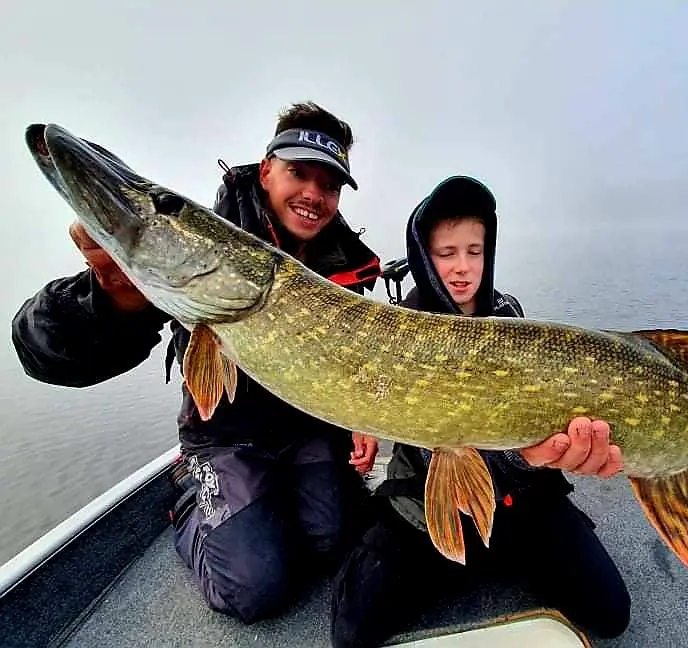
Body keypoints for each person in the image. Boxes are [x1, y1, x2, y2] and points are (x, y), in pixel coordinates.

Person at [10, 102, 384, 624]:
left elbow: (360, 368)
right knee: (254, 588)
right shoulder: (209, 248)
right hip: (225, 439)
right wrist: (113, 294)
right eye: (299, 173)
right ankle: (191, 495)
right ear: (267, 167)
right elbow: (46, 354)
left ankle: (273, 505)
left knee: (335, 539)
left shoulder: (349, 263)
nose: (313, 196)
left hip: (307, 434)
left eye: (330, 185)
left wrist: (358, 418)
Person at [330, 176, 631, 648]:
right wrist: (360, 422)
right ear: (424, 257)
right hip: (426, 501)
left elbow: (525, 429)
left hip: (523, 498)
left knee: (612, 614)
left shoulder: (509, 315)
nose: (463, 267)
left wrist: (531, 457)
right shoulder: (403, 327)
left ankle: (494, 553)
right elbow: (366, 382)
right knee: (352, 631)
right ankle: (466, 557)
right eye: (447, 253)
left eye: (475, 250)